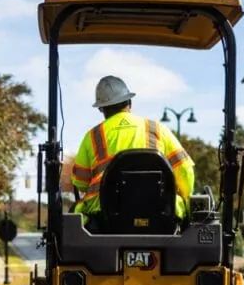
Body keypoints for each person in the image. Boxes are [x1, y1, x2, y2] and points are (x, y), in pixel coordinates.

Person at [71, 75, 195, 222]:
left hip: (105, 217)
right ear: (129, 102)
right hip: (161, 212)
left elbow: (81, 182)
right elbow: (185, 172)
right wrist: (186, 201)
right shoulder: (157, 129)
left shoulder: (92, 136)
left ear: (102, 109)